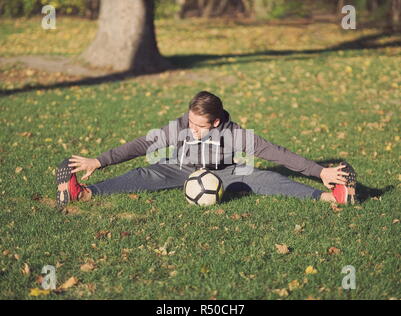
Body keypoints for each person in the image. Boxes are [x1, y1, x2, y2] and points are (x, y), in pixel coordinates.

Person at [56, 91, 357, 210]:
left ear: (216, 121)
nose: (193, 129)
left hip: (225, 173)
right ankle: (83, 192)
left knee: (267, 178)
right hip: (181, 167)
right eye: (190, 123)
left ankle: (331, 195)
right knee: (145, 173)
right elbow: (143, 143)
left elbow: (278, 153)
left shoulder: (236, 134)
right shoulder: (181, 126)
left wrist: (321, 171)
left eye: (199, 126)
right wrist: (100, 160)